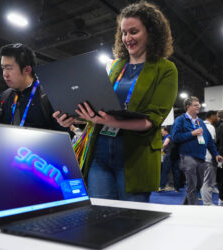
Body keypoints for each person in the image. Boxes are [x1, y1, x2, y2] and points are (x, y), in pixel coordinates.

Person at [54, 1, 178, 202]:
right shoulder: (115, 67)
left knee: (132, 221)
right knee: (101, 218)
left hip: (135, 157)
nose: (127, 38)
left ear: (151, 32)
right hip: (99, 154)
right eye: (124, 33)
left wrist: (107, 120)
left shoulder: (165, 69)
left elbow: (151, 121)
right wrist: (75, 117)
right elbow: (99, 111)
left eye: (134, 32)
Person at [0, 43, 69, 133]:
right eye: (3, 68)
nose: (5, 74)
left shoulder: (48, 96)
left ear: (27, 70)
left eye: (9, 68)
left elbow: (64, 136)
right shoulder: (4, 97)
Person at [171, 97, 223, 205]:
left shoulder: (200, 122)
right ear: (188, 107)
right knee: (192, 185)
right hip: (187, 156)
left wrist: (216, 154)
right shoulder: (180, 120)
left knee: (198, 185)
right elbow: (175, 137)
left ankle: (185, 207)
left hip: (201, 157)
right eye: (195, 105)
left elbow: (209, 141)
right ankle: (195, 212)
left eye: (198, 104)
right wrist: (192, 133)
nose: (198, 106)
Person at [200, 110, 218, 205]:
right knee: (208, 182)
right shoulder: (210, 127)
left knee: (205, 181)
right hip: (208, 157)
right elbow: (211, 143)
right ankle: (207, 203)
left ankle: (206, 202)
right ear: (212, 116)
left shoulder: (202, 125)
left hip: (202, 157)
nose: (217, 118)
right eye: (216, 116)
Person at [159, 126, 181, 192]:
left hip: (169, 155)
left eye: (162, 131)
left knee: (164, 171)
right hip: (177, 156)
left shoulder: (169, 137)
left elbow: (165, 144)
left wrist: (161, 149)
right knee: (176, 172)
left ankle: (161, 186)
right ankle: (177, 188)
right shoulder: (177, 137)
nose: (161, 132)